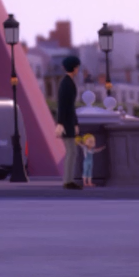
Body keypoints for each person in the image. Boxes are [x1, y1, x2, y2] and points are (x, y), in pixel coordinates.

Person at [57, 56, 82, 190]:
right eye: (77, 66)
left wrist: (75, 123)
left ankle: (68, 180)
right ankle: (67, 181)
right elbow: (64, 106)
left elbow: (69, 106)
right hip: (66, 123)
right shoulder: (67, 83)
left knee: (71, 152)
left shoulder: (67, 82)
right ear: (74, 67)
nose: (78, 69)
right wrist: (61, 123)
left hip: (68, 122)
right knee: (71, 152)